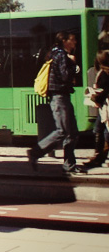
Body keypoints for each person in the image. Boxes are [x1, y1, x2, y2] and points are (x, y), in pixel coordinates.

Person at [27, 31, 84, 173]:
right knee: (63, 131)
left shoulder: (55, 53)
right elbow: (65, 76)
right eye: (73, 39)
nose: (75, 42)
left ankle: (69, 165)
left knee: (72, 132)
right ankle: (35, 152)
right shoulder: (62, 55)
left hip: (61, 97)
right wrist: (73, 64)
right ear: (65, 41)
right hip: (59, 97)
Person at [84, 50, 109, 169]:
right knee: (99, 129)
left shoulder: (103, 74)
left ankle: (99, 157)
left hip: (106, 107)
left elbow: (103, 91)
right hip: (104, 107)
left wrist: (93, 96)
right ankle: (99, 156)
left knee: (103, 130)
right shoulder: (104, 72)